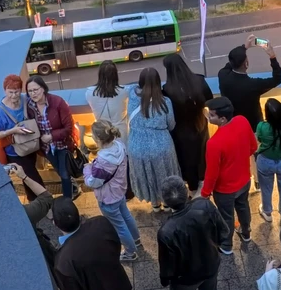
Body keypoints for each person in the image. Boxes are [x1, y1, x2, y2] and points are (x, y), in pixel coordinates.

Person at [156, 175, 226, 290]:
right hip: (211, 263)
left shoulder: (166, 231)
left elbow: (167, 265)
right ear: (185, 190)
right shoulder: (205, 205)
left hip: (187, 277)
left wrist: (166, 280)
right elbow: (223, 232)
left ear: (165, 200)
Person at [201, 96, 257, 251]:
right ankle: (246, 233)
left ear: (222, 119)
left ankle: (226, 245)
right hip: (245, 180)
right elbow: (253, 147)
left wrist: (205, 193)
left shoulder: (214, 143)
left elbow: (211, 173)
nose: (209, 117)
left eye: (212, 115)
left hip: (225, 189)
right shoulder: (242, 121)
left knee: (226, 217)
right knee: (243, 207)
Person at [83, 120, 142, 258]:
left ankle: (130, 252)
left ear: (98, 139)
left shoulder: (103, 161)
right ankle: (136, 240)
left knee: (119, 226)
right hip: (120, 191)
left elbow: (93, 182)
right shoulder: (120, 146)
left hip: (108, 198)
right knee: (126, 216)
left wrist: (87, 169)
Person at [123, 67, 180, 209]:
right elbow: (171, 125)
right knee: (165, 175)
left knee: (147, 176)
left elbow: (131, 87)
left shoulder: (132, 95)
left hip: (137, 146)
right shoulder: (165, 101)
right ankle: (167, 203)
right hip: (161, 145)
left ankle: (154, 204)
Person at [162, 52, 212, 194]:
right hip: (200, 124)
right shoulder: (199, 80)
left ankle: (193, 188)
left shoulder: (167, 89)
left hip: (181, 130)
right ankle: (205, 181)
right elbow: (209, 99)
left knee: (187, 159)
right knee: (202, 154)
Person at [0, 75, 45, 195]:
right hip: (15, 152)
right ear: (5, 91)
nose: (14, 95)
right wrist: (13, 130)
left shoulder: (25, 99)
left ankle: (36, 203)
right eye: (10, 92)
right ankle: (43, 201)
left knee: (29, 177)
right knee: (33, 179)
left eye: (17, 92)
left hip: (31, 146)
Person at [27, 75, 79, 200]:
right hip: (46, 148)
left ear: (43, 88)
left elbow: (68, 128)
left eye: (36, 89)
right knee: (60, 172)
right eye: (30, 91)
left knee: (64, 174)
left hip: (63, 145)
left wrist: (51, 136)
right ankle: (74, 188)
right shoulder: (29, 106)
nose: (33, 93)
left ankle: (67, 203)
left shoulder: (58, 102)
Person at [217, 36, 281, 130]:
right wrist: (272, 56)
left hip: (232, 123)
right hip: (252, 125)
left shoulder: (222, 75)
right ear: (246, 64)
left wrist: (244, 48)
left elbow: (231, 63)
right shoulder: (254, 85)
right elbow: (277, 79)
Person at [256, 98, 281, 222]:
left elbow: (260, 139)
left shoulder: (262, 126)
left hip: (265, 161)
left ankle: (267, 212)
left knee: (266, 188)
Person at [88, 61, 125, 131]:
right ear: (115, 75)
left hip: (103, 133)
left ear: (100, 75)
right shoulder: (125, 91)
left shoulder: (90, 93)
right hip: (121, 132)